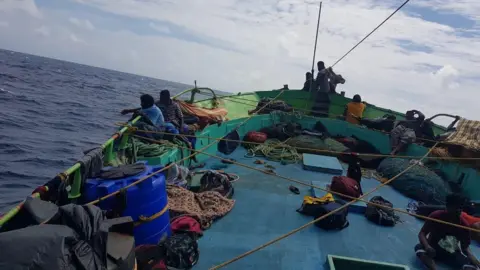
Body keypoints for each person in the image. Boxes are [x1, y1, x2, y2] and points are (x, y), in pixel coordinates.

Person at [415, 193, 480, 270]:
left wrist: (471, 256)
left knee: (472, 266)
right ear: (448, 206)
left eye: (460, 208)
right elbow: (422, 233)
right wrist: (427, 246)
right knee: (419, 248)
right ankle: (434, 268)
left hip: (451, 253)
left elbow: (465, 246)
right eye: (456, 207)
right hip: (433, 248)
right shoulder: (436, 216)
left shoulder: (463, 224)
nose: (459, 210)